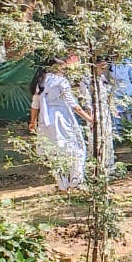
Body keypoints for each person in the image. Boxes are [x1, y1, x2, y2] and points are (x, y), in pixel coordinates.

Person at [28, 58, 92, 192]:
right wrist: (88, 118)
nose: (63, 70)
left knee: (54, 153)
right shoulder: (61, 81)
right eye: (61, 67)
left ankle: (62, 185)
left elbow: (35, 104)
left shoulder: (39, 81)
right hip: (62, 119)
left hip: (45, 121)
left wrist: (32, 121)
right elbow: (72, 103)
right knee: (76, 148)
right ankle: (75, 181)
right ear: (54, 67)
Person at [77, 59, 116, 175]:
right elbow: (86, 99)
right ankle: (95, 167)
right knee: (95, 138)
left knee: (107, 137)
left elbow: (108, 95)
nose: (103, 70)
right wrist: (90, 114)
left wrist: (112, 108)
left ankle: (109, 166)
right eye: (101, 67)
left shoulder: (102, 78)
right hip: (94, 111)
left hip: (105, 110)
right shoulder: (86, 80)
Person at [109, 57, 132, 131]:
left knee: (130, 112)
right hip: (115, 91)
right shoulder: (109, 64)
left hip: (128, 90)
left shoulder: (127, 62)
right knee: (118, 113)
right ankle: (120, 132)